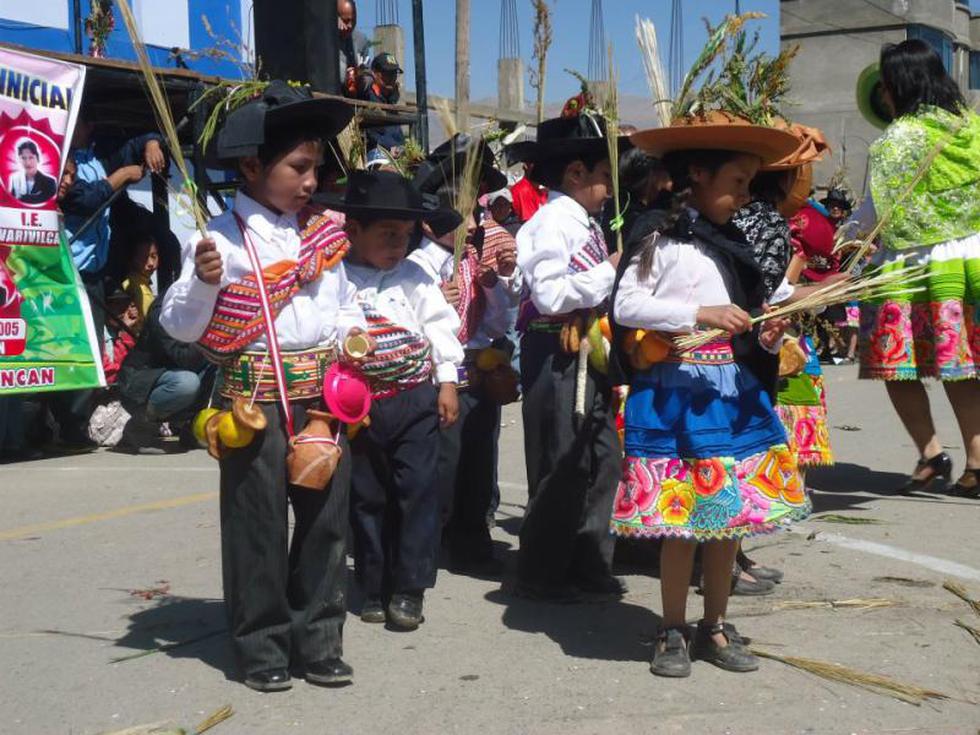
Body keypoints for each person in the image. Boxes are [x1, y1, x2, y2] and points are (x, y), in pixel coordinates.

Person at [159, 81, 367, 691]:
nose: (310, 181)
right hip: (253, 401)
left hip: (321, 399)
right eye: (298, 167)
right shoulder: (218, 240)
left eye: (315, 168)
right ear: (251, 166)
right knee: (257, 524)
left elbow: (344, 303)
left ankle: (320, 639)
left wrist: (354, 336)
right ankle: (263, 646)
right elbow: (179, 326)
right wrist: (203, 282)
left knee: (328, 520)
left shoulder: (321, 233)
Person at [609, 114, 807, 678]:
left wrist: (767, 333)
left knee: (727, 522)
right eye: (737, 183)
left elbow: (748, 319)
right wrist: (699, 313)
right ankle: (671, 627)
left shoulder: (733, 242)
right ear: (697, 173)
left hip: (729, 392)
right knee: (683, 524)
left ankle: (715, 624)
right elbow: (626, 305)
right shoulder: (657, 236)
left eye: (749, 185)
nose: (744, 197)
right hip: (675, 394)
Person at [323, 170, 463, 630]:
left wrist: (446, 381)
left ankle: (409, 588)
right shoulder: (336, 279)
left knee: (417, 490)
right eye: (387, 234)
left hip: (414, 399)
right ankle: (372, 583)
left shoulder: (415, 278)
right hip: (359, 408)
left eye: (405, 235)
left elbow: (440, 326)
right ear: (353, 230)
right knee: (367, 497)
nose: (399, 245)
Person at [851, 39, 980, 497]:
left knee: (896, 369)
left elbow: (873, 215)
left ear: (896, 86)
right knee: (962, 369)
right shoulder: (973, 129)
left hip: (910, 267)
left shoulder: (894, 142)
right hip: (970, 264)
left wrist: (845, 237)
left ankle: (931, 452)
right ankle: (977, 461)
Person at [506, 113, 624, 602]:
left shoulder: (584, 222)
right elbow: (551, 296)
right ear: (576, 173)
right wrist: (610, 271)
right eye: (604, 177)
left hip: (586, 349)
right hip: (557, 349)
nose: (610, 189)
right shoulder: (551, 223)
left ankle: (588, 558)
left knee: (603, 456)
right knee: (561, 460)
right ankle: (543, 571)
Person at [408, 135, 521, 575]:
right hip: (440, 378)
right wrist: (435, 301)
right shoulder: (417, 267)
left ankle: (472, 542)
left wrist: (494, 286)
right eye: (464, 214)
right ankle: (429, 545)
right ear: (431, 222)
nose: (473, 224)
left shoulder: (471, 260)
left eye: (476, 212)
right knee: (443, 466)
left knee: (478, 459)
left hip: (477, 371)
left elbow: (494, 324)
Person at [360, 53, 406, 156]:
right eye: (387, 73)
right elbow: (370, 135)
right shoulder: (366, 99)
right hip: (376, 157)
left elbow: (399, 137)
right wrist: (390, 148)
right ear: (374, 73)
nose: (392, 77)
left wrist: (402, 149)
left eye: (394, 73)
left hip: (395, 158)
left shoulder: (391, 102)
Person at [123, 235, 159, 319]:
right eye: (144, 258)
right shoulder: (131, 286)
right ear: (133, 259)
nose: (151, 263)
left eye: (153, 256)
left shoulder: (145, 283)